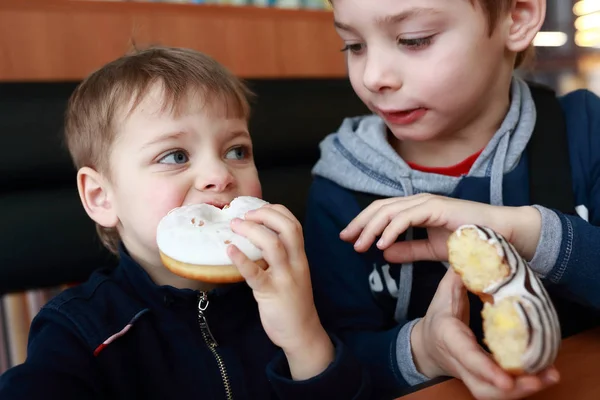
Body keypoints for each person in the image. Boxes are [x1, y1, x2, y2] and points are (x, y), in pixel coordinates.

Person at [0, 46, 370, 400]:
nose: (220, 175)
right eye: (175, 155)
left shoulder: (298, 288)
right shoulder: (77, 331)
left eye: (236, 151)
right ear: (101, 197)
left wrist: (303, 335)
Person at [304, 0, 600, 399]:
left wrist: (526, 232)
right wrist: (423, 350)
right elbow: (334, 363)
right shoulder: (337, 186)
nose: (373, 76)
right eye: (353, 45)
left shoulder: (584, 131)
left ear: (519, 18)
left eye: (414, 40)